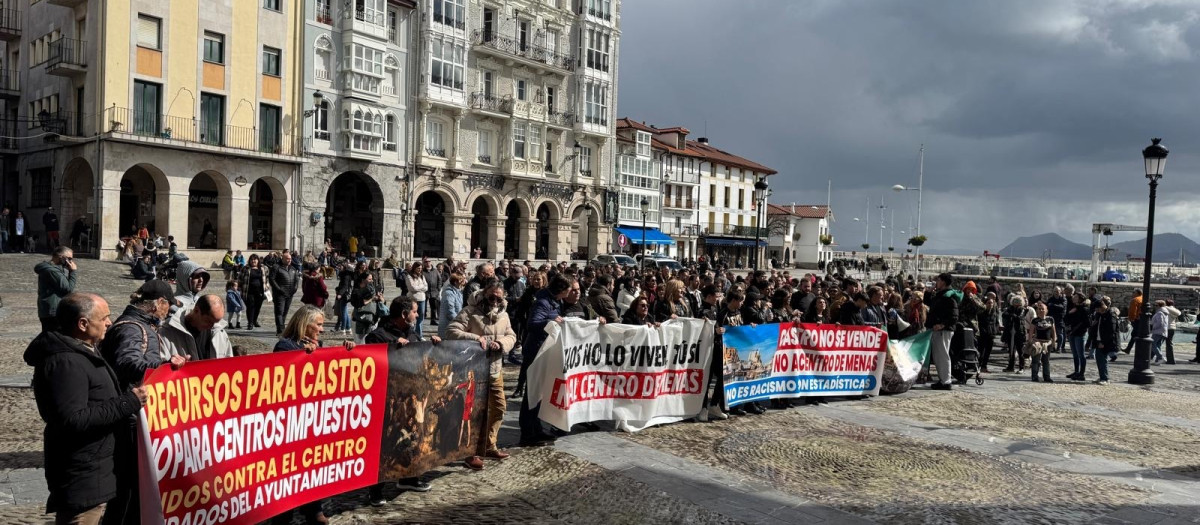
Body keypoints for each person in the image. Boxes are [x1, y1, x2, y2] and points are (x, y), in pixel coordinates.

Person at [24, 294, 147, 525]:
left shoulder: (84, 349)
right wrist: (127, 402)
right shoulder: (65, 362)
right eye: (105, 318)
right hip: (82, 472)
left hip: (96, 467)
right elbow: (72, 419)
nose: (110, 323)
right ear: (83, 324)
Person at [271, 305, 353, 524]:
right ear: (303, 324)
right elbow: (280, 377)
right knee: (289, 468)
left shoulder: (318, 345)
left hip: (312, 417)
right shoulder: (284, 346)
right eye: (318, 324)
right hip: (291, 419)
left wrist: (346, 352)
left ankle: (313, 508)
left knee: (311, 464)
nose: (321, 330)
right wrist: (302, 357)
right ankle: (283, 514)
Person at [363, 297, 437, 504]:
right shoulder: (378, 335)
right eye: (414, 311)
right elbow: (370, 360)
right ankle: (376, 489)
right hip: (387, 400)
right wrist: (392, 348)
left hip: (410, 398)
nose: (417, 314)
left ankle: (409, 477)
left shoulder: (412, 333)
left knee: (412, 437)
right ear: (404, 314)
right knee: (385, 443)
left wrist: (432, 346)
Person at [447, 282, 518, 470]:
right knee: (473, 413)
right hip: (473, 370)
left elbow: (511, 335)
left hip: (494, 368)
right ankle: (470, 452)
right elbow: (451, 330)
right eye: (491, 297)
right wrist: (476, 339)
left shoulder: (504, 314)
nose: (494, 301)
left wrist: (502, 343)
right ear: (484, 295)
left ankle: (489, 444)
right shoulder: (470, 311)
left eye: (498, 298)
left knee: (499, 407)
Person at [518, 275, 571, 446]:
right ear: (562, 290)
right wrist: (550, 321)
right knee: (532, 391)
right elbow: (532, 324)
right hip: (535, 351)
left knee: (541, 392)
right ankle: (527, 433)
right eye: (569, 289)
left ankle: (537, 427)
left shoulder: (555, 301)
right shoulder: (543, 302)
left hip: (545, 350)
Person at [161, 295, 234, 361]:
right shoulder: (167, 332)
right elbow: (160, 368)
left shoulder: (219, 332)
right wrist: (172, 364)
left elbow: (229, 364)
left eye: (216, 322)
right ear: (196, 311)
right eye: (208, 321)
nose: (212, 326)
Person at [925, 273, 959, 391]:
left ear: (943, 282)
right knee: (938, 355)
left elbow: (954, 315)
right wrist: (929, 292)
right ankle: (943, 379)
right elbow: (930, 304)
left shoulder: (948, 296)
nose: (936, 282)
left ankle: (945, 381)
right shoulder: (941, 295)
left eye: (938, 280)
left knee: (942, 355)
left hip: (943, 330)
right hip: (938, 329)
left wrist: (942, 325)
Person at [36, 246, 78, 333]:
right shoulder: (52, 271)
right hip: (53, 311)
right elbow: (68, 288)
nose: (70, 261)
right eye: (69, 258)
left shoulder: (56, 268)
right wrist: (73, 272)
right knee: (54, 338)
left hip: (50, 309)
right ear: (60, 256)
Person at [269, 251, 301, 335]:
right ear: (282, 258)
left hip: (290, 294)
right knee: (279, 311)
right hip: (280, 294)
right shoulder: (276, 267)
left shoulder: (292, 268)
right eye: (287, 258)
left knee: (285, 312)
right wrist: (279, 289)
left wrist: (295, 288)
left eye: (290, 259)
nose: (289, 260)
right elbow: (272, 279)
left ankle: (281, 327)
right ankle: (280, 329)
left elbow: (296, 279)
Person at [1091, 297, 1118, 385]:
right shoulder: (1099, 315)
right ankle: (1102, 376)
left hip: (1105, 342)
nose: (1096, 310)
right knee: (1099, 360)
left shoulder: (1110, 314)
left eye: (1097, 308)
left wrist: (1103, 342)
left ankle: (1105, 378)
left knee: (1103, 360)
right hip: (1098, 340)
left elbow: (1111, 331)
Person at [1064, 293, 1090, 381]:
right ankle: (1076, 371)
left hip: (1080, 334)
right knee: (1075, 354)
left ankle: (1082, 374)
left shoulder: (1084, 309)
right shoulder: (1073, 307)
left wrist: (1077, 328)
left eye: (1076, 297)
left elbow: (1086, 323)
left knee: (1081, 355)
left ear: (1080, 299)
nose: (1073, 298)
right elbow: (1066, 319)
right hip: (1072, 333)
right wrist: (1069, 313)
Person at [240, 255, 269, 329]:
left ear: (258, 260)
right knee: (250, 307)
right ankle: (250, 323)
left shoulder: (263, 268)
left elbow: (267, 278)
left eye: (255, 259)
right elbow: (240, 279)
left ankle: (254, 320)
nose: (253, 261)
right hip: (248, 291)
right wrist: (239, 288)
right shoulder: (245, 268)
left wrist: (267, 287)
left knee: (257, 307)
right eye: (252, 260)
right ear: (249, 261)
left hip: (260, 291)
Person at [1028, 302, 1055, 382]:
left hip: (1047, 343)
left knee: (1046, 360)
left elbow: (1053, 331)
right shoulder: (1035, 320)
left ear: (1046, 310)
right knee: (1035, 360)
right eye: (1039, 309)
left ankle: (1047, 377)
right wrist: (1030, 342)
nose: (1041, 310)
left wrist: (1054, 341)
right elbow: (1031, 331)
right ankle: (1034, 376)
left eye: (1043, 309)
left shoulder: (1050, 319)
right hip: (1037, 342)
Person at [405, 262, 430, 340]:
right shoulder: (409, 276)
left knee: (421, 317)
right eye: (418, 268)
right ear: (414, 268)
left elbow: (426, 287)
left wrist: (419, 288)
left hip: (422, 299)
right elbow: (412, 288)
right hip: (413, 299)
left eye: (421, 268)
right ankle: (410, 334)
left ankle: (419, 335)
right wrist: (421, 288)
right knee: (411, 317)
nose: (420, 270)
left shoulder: (422, 276)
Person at [438, 273, 466, 339]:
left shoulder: (458, 292)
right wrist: (458, 322)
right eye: (461, 281)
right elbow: (450, 311)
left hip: (454, 324)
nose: (463, 283)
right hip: (448, 325)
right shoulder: (449, 293)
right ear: (456, 282)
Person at [1123, 289, 1144, 355]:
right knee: (1136, 334)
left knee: (1135, 334)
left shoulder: (1135, 300)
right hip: (1143, 319)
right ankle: (1128, 349)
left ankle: (1131, 349)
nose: (1132, 294)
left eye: (1134, 292)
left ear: (1137, 293)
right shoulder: (1143, 299)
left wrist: (1131, 318)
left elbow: (1133, 311)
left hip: (1136, 320)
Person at [1149, 300, 1169, 365]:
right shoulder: (1165, 312)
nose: (1155, 306)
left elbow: (1159, 322)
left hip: (1158, 331)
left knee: (1152, 344)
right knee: (1158, 345)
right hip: (1163, 331)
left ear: (1159, 306)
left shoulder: (1160, 313)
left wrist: (1152, 328)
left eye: (1156, 305)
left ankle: (1160, 357)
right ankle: (1158, 360)